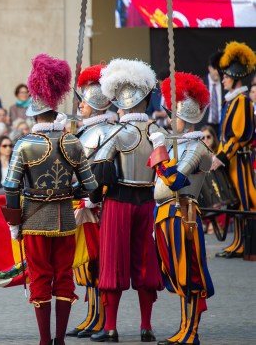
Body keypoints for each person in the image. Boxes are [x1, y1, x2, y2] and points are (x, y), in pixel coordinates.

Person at [1, 54, 97, 345]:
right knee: (64, 276)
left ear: (34, 114)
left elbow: (11, 189)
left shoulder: (25, 144)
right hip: (65, 218)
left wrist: (14, 224)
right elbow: (91, 185)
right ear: (56, 113)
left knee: (41, 277)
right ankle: (60, 340)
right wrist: (75, 194)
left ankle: (45, 341)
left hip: (33, 218)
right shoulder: (72, 142)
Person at [90, 59, 164, 342]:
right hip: (147, 202)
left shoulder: (115, 133)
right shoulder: (159, 133)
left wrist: (94, 199)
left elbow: (101, 173)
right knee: (145, 264)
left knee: (113, 264)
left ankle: (110, 327)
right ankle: (146, 327)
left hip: (119, 202)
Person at [149, 72, 215, 345]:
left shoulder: (197, 147)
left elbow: (176, 180)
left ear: (184, 117)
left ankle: (192, 331)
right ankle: (184, 327)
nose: (168, 118)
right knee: (177, 275)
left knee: (189, 273)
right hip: (165, 213)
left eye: (172, 114)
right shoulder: (179, 143)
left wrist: (160, 153)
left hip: (183, 212)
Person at [65, 64, 113, 339]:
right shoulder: (86, 130)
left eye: (83, 101)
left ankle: (100, 317)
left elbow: (95, 170)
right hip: (82, 201)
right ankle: (91, 315)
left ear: (94, 104)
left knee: (95, 262)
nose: (80, 105)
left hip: (95, 205)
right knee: (85, 264)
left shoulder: (100, 132)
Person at [210, 41, 256, 259]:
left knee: (245, 200)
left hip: (239, 159)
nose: (224, 79)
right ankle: (238, 242)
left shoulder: (242, 101)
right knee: (237, 201)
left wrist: (220, 156)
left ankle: (246, 245)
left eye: (227, 76)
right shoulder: (233, 101)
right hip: (233, 158)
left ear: (236, 77)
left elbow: (238, 135)